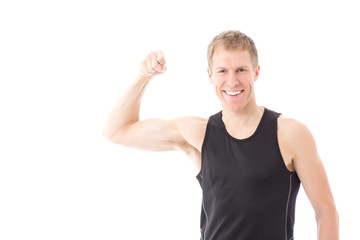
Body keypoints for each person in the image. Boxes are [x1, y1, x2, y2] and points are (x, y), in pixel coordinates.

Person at [103, 30, 339, 240]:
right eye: (222, 71)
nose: (232, 81)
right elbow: (117, 131)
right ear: (210, 76)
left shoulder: (290, 133)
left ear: (256, 72)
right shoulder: (197, 133)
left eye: (241, 70)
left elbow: (325, 211)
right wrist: (143, 76)